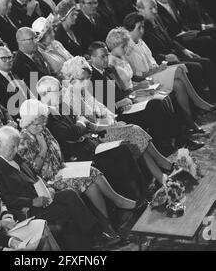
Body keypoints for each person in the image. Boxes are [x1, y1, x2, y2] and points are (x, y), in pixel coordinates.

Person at [18, 99, 138, 242]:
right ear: (28, 122)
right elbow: (32, 171)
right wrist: (43, 149)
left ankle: (111, 219)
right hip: (48, 181)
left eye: (44, 122)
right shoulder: (24, 139)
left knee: (92, 174)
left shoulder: (43, 130)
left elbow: (56, 151)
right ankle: (112, 219)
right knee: (88, 182)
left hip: (61, 169)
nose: (43, 126)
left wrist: (64, 164)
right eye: (38, 124)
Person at [0, 125, 121, 250]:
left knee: (70, 194)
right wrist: (32, 202)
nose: (16, 150)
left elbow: (33, 174)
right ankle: (94, 240)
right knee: (65, 208)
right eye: (12, 147)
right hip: (27, 208)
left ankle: (97, 235)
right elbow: (6, 199)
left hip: (40, 195)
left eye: (16, 146)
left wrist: (47, 187)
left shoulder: (12, 155)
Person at [61, 56, 173, 185]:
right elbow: (89, 124)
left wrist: (113, 122)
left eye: (87, 78)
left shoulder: (82, 91)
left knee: (134, 133)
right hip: (95, 137)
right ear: (71, 79)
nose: (86, 82)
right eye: (82, 79)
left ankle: (160, 174)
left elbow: (103, 110)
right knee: (134, 131)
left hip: (104, 128)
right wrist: (110, 125)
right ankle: (163, 166)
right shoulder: (69, 98)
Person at [37, 76, 148, 201]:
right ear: (45, 94)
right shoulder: (46, 116)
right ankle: (134, 197)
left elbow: (81, 124)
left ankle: (140, 193)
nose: (62, 92)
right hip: (77, 154)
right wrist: (80, 123)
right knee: (120, 151)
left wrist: (80, 123)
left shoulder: (62, 106)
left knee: (123, 146)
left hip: (88, 143)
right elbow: (72, 134)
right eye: (58, 90)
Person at [88, 41, 204, 152]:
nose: (105, 59)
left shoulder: (108, 70)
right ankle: (171, 142)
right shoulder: (94, 77)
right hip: (118, 114)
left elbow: (121, 93)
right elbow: (106, 107)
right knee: (155, 105)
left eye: (106, 56)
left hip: (127, 104)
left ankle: (175, 140)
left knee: (159, 100)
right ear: (92, 58)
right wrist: (121, 103)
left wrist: (132, 95)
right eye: (102, 57)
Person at [123, 12, 215, 134]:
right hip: (146, 79)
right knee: (178, 70)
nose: (142, 30)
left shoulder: (140, 42)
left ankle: (190, 122)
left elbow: (151, 61)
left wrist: (159, 67)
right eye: (138, 27)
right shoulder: (126, 47)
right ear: (129, 29)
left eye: (143, 27)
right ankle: (198, 101)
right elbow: (136, 75)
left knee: (179, 83)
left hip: (155, 72)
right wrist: (156, 70)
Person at [137, 0, 216, 98]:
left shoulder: (156, 18)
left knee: (206, 62)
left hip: (173, 54)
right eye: (151, 8)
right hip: (163, 62)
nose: (155, 11)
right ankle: (201, 101)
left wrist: (184, 50)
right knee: (196, 67)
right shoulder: (141, 29)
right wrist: (165, 57)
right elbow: (150, 56)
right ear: (140, 10)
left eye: (155, 6)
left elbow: (169, 40)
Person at [0, 46, 30, 115]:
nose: (8, 60)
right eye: (4, 58)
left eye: (10, 57)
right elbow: (6, 107)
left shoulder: (15, 71)